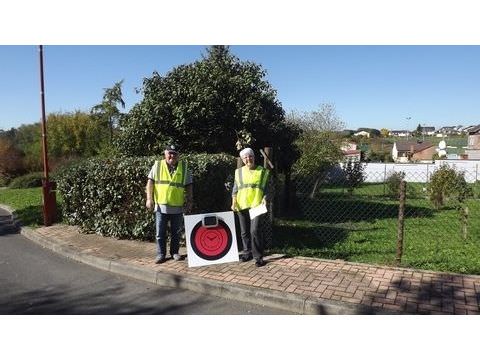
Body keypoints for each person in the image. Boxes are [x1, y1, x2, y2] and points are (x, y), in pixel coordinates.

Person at [146, 144, 193, 264]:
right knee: (160, 233)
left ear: (178, 155)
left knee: (176, 233)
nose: (172, 155)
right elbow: (150, 183)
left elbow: (189, 186)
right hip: (161, 206)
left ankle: (174, 252)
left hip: (177, 207)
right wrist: (149, 199)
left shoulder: (184, 167)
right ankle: (161, 254)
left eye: (174, 153)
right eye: (170, 153)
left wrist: (189, 201)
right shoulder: (157, 166)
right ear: (165, 154)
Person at [231, 147, 270, 267]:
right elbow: (235, 189)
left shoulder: (262, 171)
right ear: (243, 160)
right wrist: (233, 201)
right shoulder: (238, 172)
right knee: (244, 231)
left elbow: (267, 188)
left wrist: (265, 198)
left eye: (250, 156)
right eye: (245, 157)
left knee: (255, 230)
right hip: (241, 203)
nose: (248, 159)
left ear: (254, 157)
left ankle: (258, 257)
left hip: (256, 204)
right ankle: (247, 253)